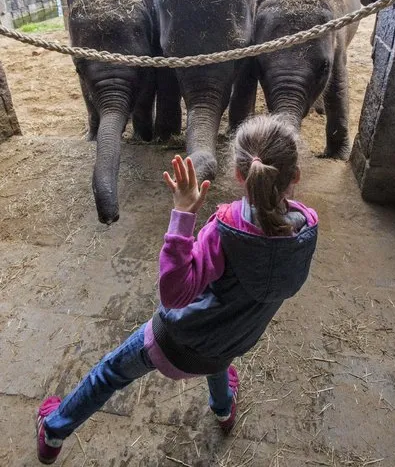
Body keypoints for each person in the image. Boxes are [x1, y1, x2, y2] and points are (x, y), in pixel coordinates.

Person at [36, 114, 318, 465]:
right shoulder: (306, 229)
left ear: (238, 174)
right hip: (232, 341)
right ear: (296, 175)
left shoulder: (224, 230)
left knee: (108, 374)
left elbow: (174, 295)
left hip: (173, 344)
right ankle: (223, 409)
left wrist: (182, 215)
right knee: (217, 357)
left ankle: (53, 430)